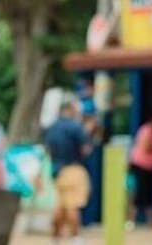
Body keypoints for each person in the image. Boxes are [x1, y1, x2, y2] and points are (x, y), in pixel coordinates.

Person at [43, 100, 92, 245]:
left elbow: (48, 151)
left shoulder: (51, 128)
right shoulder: (75, 127)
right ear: (71, 110)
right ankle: (75, 238)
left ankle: (56, 237)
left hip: (57, 171)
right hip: (73, 168)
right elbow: (85, 149)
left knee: (60, 205)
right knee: (73, 205)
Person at [128, 113, 152, 227]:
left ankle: (151, 220)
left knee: (148, 194)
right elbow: (145, 147)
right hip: (141, 166)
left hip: (149, 167)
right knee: (139, 193)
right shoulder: (146, 130)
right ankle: (131, 220)